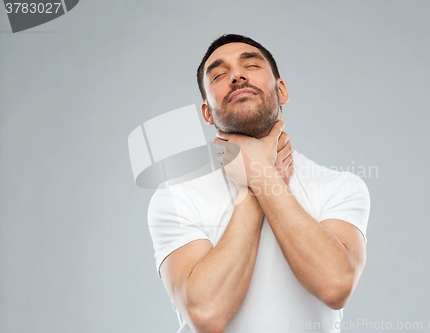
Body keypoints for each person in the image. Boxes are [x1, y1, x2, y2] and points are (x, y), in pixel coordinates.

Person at [148, 34, 370, 333]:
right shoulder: (176, 197)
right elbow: (207, 314)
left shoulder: (339, 186)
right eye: (219, 74)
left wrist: (259, 175)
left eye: (250, 65)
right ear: (206, 113)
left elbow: (335, 286)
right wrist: (259, 180)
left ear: (282, 90)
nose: (237, 76)